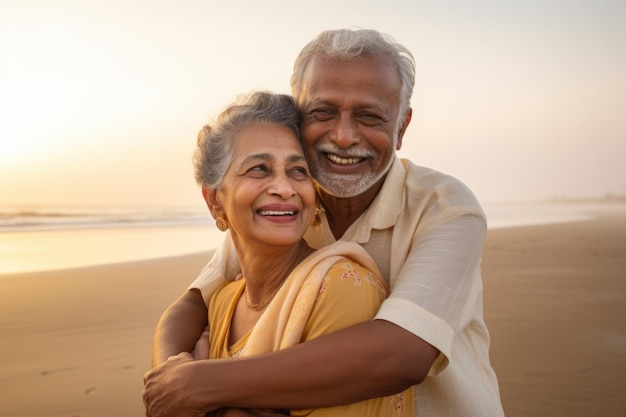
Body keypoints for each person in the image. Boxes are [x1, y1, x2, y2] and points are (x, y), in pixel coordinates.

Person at [144, 29, 505, 417]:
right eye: (323, 112)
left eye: (369, 116)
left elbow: (402, 354)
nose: (344, 136)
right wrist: (173, 377)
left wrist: (204, 385)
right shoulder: (289, 203)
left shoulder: (444, 207)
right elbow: (196, 299)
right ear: (298, 118)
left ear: (401, 126)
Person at [185, 90, 413, 416]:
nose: (285, 188)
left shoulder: (340, 289)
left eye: (298, 171)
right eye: (259, 169)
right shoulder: (222, 303)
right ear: (214, 201)